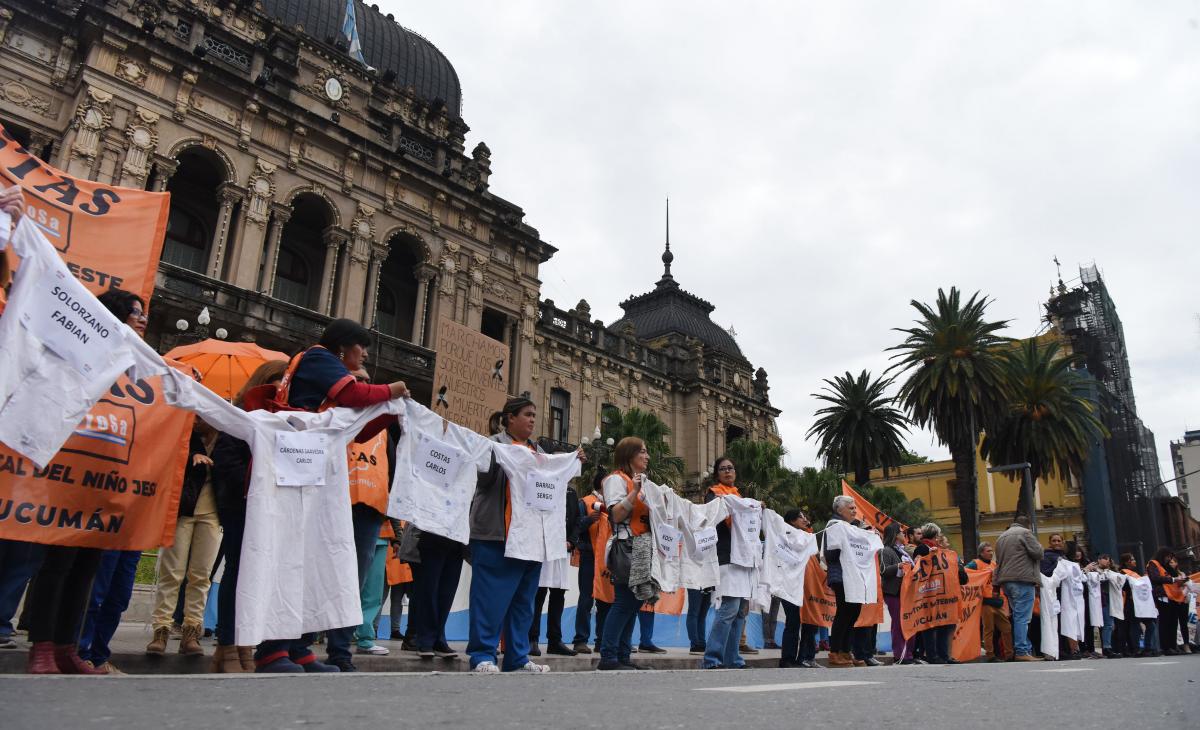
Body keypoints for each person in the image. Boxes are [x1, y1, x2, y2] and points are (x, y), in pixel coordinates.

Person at [252, 319, 408, 673]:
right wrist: (391, 389)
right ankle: (272, 648)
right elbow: (353, 395)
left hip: (314, 469)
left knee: (313, 560)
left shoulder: (324, 370)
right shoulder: (319, 358)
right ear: (343, 347)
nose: (365, 354)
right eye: (361, 347)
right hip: (298, 465)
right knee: (292, 557)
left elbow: (359, 430)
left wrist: (390, 413)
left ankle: (299, 647)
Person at [209, 359, 288, 673]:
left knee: (259, 578)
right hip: (241, 506)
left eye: (286, 382)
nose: (282, 387)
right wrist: (257, 489)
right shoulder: (241, 414)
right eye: (277, 380)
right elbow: (226, 460)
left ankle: (245, 645)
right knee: (238, 573)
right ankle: (227, 643)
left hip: (271, 509)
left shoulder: (287, 417)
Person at [465, 397, 552, 674]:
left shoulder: (537, 451)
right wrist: (504, 461)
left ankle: (517, 657)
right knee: (489, 599)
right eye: (527, 414)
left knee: (523, 602)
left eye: (534, 415)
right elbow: (481, 480)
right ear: (510, 418)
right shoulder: (492, 444)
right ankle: (482, 655)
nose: (532, 420)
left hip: (529, 538)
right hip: (496, 534)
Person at [145, 419, 223, 658]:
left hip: (213, 513)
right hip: (182, 509)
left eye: (203, 417)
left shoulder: (227, 439)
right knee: (172, 572)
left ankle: (192, 631)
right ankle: (161, 630)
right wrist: (191, 458)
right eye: (196, 416)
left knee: (202, 575)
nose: (198, 420)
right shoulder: (184, 437)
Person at [598, 437, 654, 671]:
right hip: (625, 545)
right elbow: (616, 515)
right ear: (629, 455)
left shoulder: (639, 482)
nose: (647, 456)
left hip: (641, 546)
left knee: (634, 602)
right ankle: (608, 656)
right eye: (642, 451)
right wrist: (636, 492)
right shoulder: (615, 480)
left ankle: (622, 655)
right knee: (624, 601)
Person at [701, 456, 754, 670]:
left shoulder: (740, 496)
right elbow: (712, 519)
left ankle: (733, 659)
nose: (727, 471)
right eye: (723, 469)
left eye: (730, 468)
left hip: (743, 558)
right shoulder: (714, 494)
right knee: (728, 608)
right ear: (717, 474)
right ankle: (712, 658)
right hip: (725, 556)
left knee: (740, 610)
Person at [530, 482, 582, 656]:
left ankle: (555, 640)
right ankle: (532, 638)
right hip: (543, 547)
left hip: (562, 550)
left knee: (558, 593)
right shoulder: (543, 486)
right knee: (538, 592)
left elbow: (577, 519)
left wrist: (572, 541)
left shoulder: (571, 492)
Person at [824, 494, 868, 668]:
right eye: (851, 508)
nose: (855, 511)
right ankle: (834, 652)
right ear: (839, 510)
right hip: (840, 575)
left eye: (855, 508)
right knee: (844, 612)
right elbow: (831, 554)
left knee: (854, 612)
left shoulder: (851, 527)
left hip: (854, 576)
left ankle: (845, 650)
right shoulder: (834, 526)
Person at [993, 514, 1044, 662]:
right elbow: (1038, 553)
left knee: (1017, 616)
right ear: (1027, 525)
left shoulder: (1001, 537)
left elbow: (998, 563)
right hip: (1022, 579)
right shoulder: (1026, 533)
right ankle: (1022, 650)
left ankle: (1024, 649)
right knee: (1022, 618)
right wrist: (1038, 544)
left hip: (1006, 582)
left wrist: (995, 586)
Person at [572, 472, 609, 654]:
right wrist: (589, 519)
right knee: (586, 599)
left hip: (608, 559)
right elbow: (575, 526)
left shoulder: (614, 503)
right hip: (589, 555)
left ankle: (602, 640)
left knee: (605, 600)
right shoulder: (585, 502)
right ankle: (580, 640)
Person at [779, 509, 819, 668]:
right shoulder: (784, 535)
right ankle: (787, 659)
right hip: (789, 584)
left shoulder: (808, 536)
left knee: (811, 622)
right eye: (800, 516)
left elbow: (815, 555)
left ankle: (805, 657)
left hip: (807, 585)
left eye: (805, 516)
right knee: (793, 622)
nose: (805, 519)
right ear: (791, 521)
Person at [967, 542, 1012, 662]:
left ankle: (1009, 654)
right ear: (981, 553)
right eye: (988, 551)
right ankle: (990, 655)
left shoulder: (994, 564)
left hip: (997, 601)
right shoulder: (975, 563)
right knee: (989, 630)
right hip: (986, 602)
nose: (991, 553)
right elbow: (966, 574)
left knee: (1007, 628)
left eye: (992, 551)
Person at [881, 522, 917, 664]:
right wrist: (898, 566)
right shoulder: (886, 551)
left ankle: (909, 653)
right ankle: (899, 654)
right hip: (893, 592)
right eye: (901, 532)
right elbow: (883, 570)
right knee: (898, 623)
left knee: (909, 623)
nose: (904, 535)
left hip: (907, 592)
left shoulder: (904, 551)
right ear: (896, 535)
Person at [1148, 549, 1189, 655]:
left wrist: (1181, 579)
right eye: (1168, 557)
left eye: (1170, 558)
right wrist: (1173, 580)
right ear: (1162, 555)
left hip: (1172, 596)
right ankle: (1165, 647)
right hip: (1162, 595)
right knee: (1165, 622)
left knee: (1173, 622)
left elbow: (1174, 574)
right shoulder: (1153, 564)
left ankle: (1172, 646)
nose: (1169, 559)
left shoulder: (1165, 566)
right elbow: (1155, 578)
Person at [1119, 553, 1160, 657]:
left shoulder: (1135, 573)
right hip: (1131, 603)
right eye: (1132, 560)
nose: (1134, 561)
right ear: (1126, 562)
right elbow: (1124, 587)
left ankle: (1148, 648)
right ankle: (1136, 649)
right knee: (1135, 625)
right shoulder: (1122, 573)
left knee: (1151, 625)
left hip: (1142, 603)